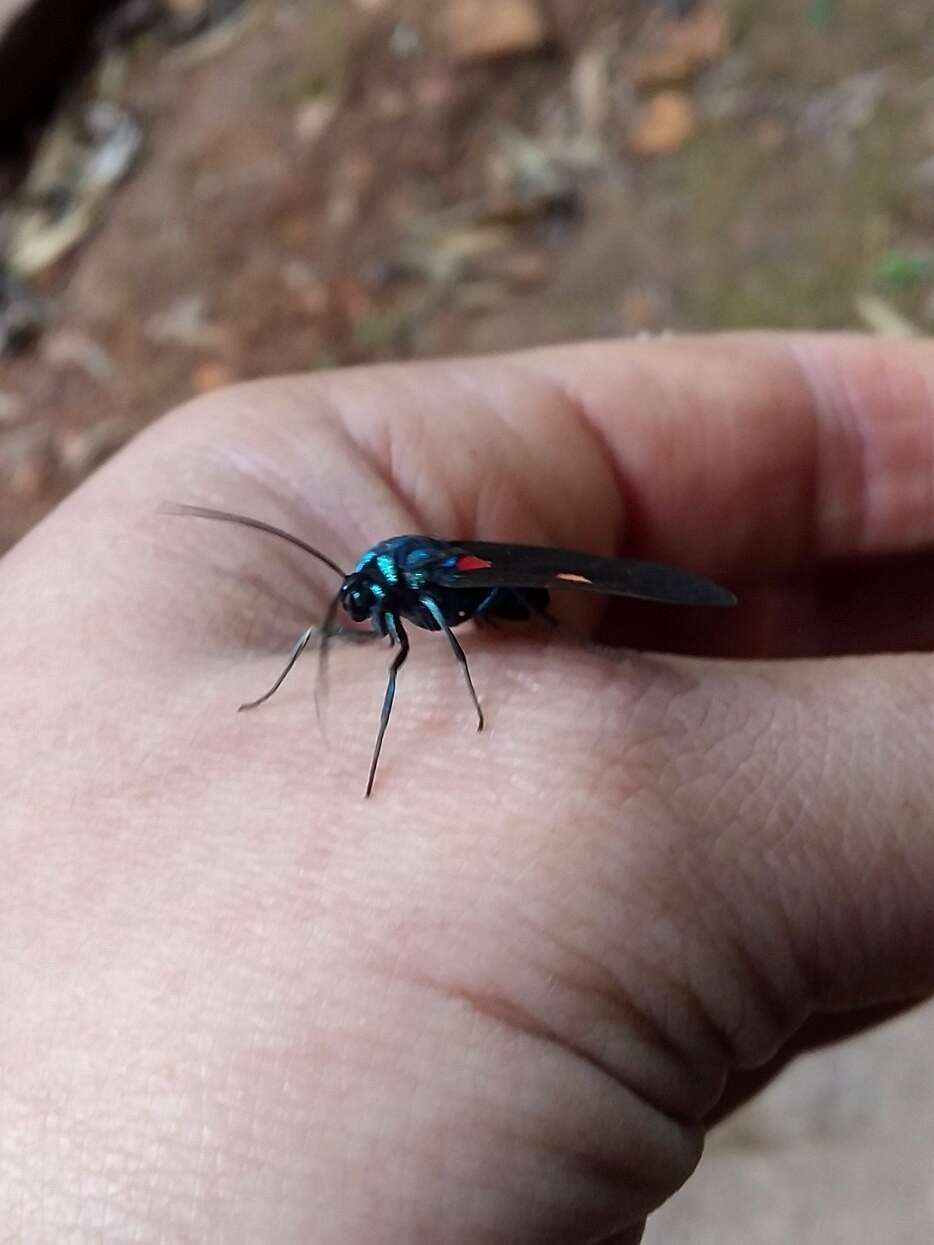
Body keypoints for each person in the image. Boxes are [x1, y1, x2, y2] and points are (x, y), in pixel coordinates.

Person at [2, 332, 932, 1243]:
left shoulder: (415, 586)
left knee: (487, 613)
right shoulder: (369, 593)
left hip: (503, 591)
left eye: (366, 608)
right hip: (476, 587)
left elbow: (439, 630)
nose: (363, 622)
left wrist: (480, 676)